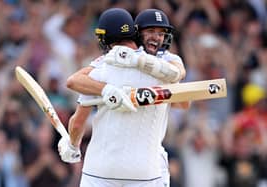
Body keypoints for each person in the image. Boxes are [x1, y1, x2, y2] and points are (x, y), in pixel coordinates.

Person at [57, 8, 186, 187]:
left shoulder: (99, 71)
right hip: (145, 172)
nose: (157, 38)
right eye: (151, 31)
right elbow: (183, 101)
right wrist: (110, 91)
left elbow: (77, 121)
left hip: (99, 171)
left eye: (161, 33)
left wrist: (72, 145)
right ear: (136, 33)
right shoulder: (164, 70)